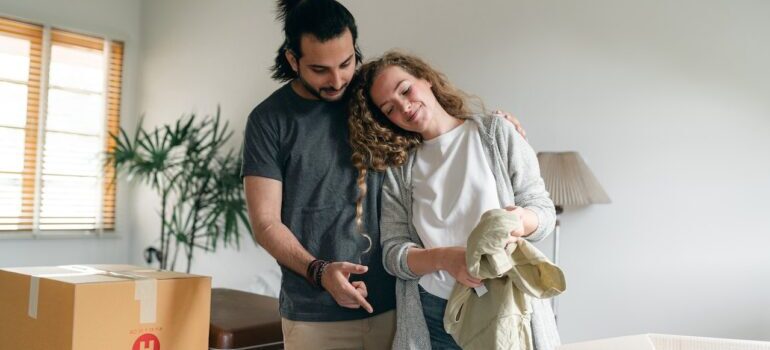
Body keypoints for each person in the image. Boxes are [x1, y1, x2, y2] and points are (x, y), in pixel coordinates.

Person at [242, 1, 526, 349]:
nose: (336, 80)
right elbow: (266, 223)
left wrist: (495, 128)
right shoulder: (268, 121)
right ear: (292, 60)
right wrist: (320, 271)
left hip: (399, 307)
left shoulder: (374, 101)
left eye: (346, 63)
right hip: (314, 315)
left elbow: (433, 122)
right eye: (319, 69)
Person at [347, 51, 560, 349]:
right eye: (390, 108)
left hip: (507, 307)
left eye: (406, 90)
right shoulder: (400, 169)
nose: (404, 107)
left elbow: (543, 212)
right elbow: (393, 254)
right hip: (434, 315)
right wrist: (447, 260)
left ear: (427, 79)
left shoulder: (496, 133)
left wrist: (520, 221)